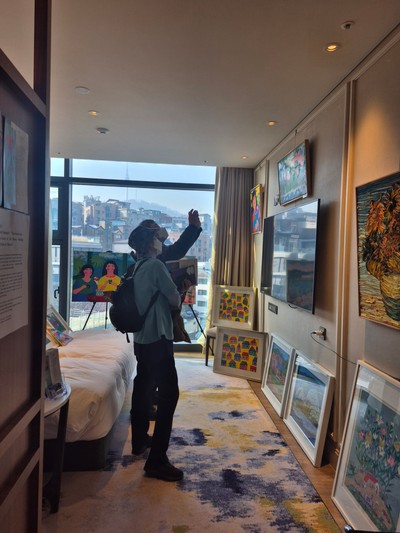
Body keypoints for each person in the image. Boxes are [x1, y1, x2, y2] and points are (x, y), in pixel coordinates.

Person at [128, 224, 183, 482]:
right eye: (158, 238)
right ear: (151, 243)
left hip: (141, 340)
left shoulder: (136, 267)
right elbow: (174, 299)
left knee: (143, 388)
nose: (161, 242)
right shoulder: (156, 266)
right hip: (158, 338)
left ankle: (139, 440)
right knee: (169, 396)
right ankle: (157, 460)